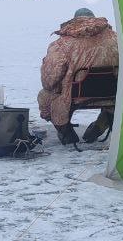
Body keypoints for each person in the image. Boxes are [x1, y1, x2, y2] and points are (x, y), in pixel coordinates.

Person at [37, 8, 118, 145]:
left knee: (44, 96)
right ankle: (99, 127)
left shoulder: (62, 44)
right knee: (113, 103)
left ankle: (65, 131)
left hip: (74, 96)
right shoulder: (117, 39)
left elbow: (49, 81)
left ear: (74, 21)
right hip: (112, 95)